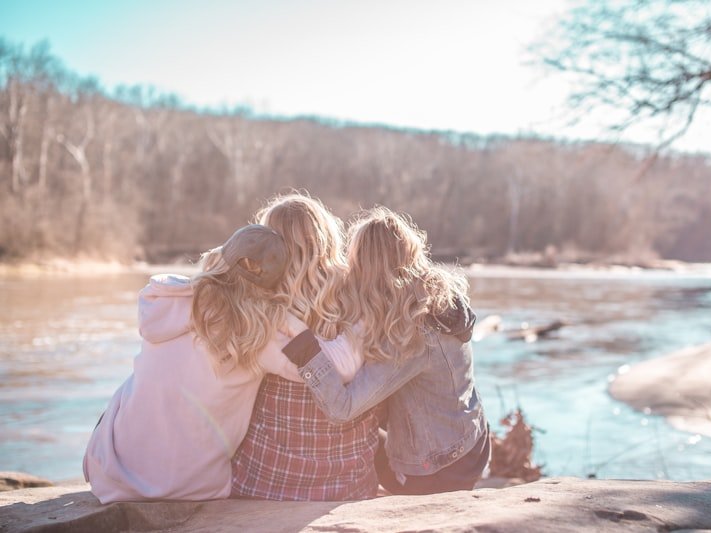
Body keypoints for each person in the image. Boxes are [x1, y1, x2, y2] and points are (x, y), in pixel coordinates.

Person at [83, 225, 303, 503]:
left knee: (130, 388)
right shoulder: (262, 333)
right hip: (196, 487)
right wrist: (292, 321)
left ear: (221, 260)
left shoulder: (168, 300)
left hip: (112, 477)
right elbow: (317, 372)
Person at [285, 207, 490, 495]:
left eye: (353, 262)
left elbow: (342, 409)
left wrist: (305, 348)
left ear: (366, 270)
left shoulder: (413, 335)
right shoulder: (436, 295)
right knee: (371, 430)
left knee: (354, 437)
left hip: (441, 467)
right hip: (471, 437)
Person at [231, 193, 380, 501]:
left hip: (265, 481)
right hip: (346, 484)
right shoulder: (361, 294)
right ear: (326, 238)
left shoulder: (257, 303)